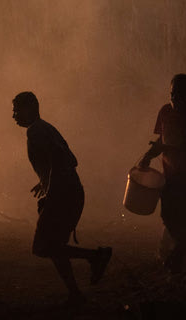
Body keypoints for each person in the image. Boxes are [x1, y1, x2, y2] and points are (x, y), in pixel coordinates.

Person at [12, 91, 112, 305]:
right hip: (69, 192)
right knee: (56, 245)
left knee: (42, 247)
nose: (14, 115)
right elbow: (70, 161)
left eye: (17, 109)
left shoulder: (36, 131)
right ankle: (75, 293)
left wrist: (51, 192)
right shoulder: (46, 128)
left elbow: (59, 162)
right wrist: (45, 182)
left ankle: (96, 256)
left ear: (31, 107)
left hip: (63, 195)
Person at [139, 74, 186, 273]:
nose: (174, 98)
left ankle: (178, 260)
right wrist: (148, 155)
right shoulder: (165, 111)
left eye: (179, 94)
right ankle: (181, 251)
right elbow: (161, 140)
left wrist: (167, 148)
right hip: (171, 175)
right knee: (167, 214)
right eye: (172, 93)